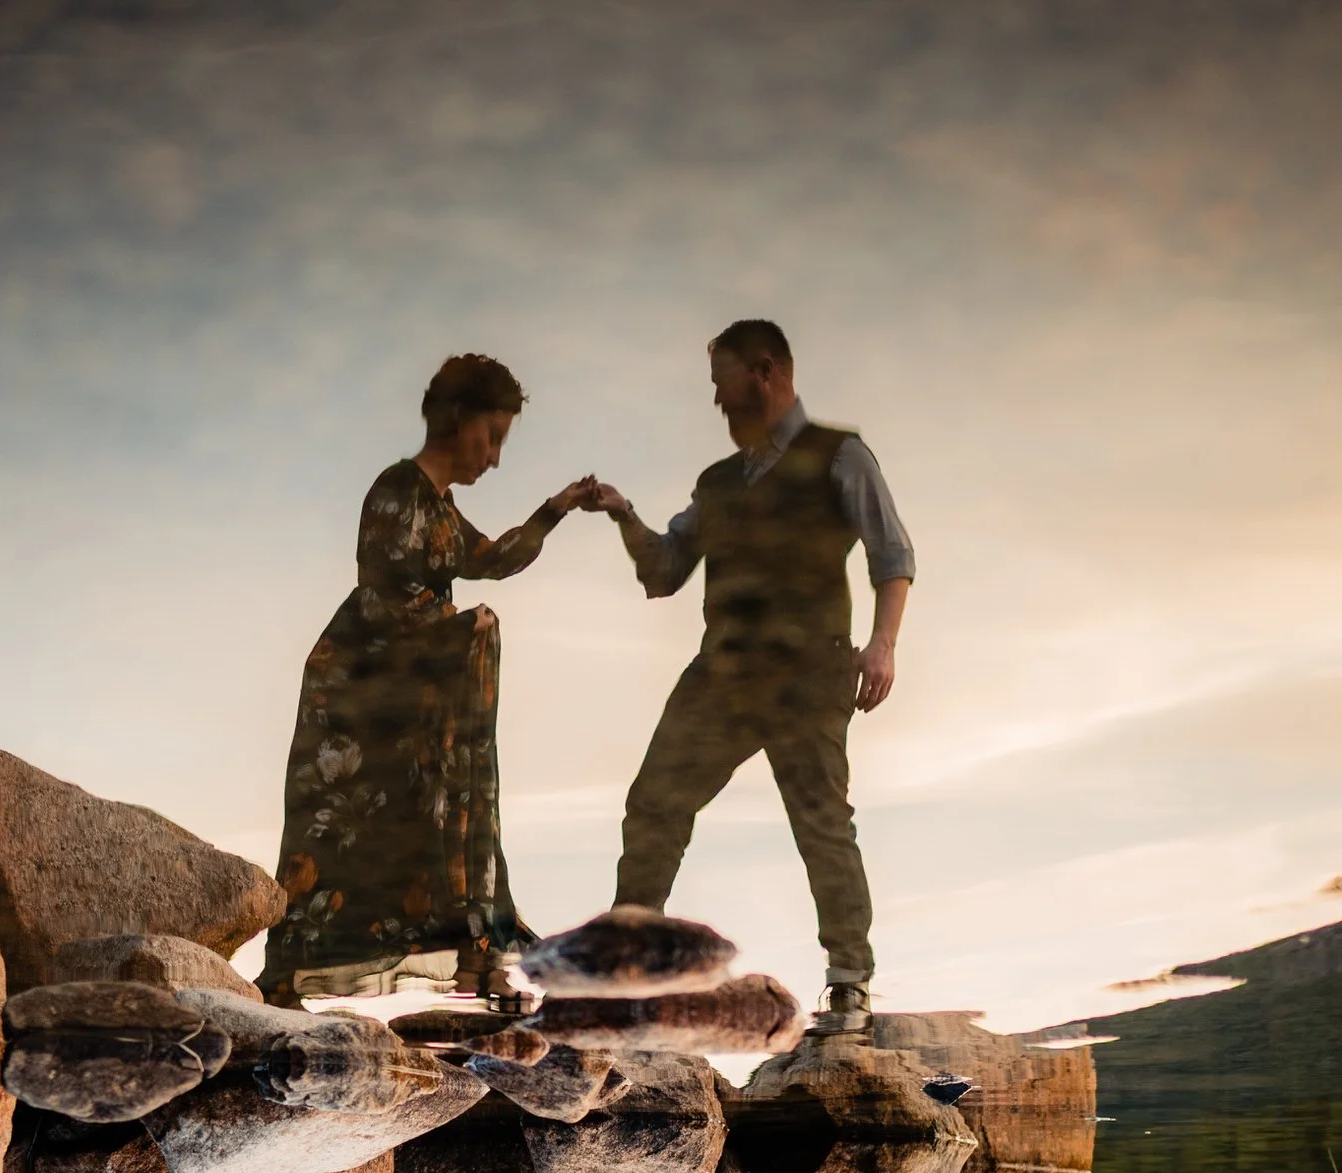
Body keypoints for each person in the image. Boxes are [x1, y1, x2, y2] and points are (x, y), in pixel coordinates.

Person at [586, 320, 915, 1035]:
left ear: (764, 372)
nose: (716, 402)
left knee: (822, 822)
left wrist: (881, 645)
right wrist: (623, 516)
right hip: (723, 677)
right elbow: (664, 571)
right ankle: (625, 969)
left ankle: (849, 983)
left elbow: (892, 555)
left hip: (808, 672)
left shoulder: (841, 456)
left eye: (722, 384)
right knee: (654, 803)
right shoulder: (717, 483)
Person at [260, 354, 595, 1006]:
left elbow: (494, 558)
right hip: (361, 690)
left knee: (444, 816)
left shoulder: (441, 509)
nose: (495, 457)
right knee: (343, 839)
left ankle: (477, 950)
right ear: (456, 419)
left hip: (420, 685)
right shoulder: (396, 491)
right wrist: (459, 630)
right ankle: (290, 976)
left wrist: (558, 508)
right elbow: (384, 603)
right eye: (491, 436)